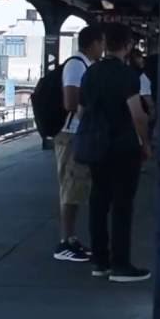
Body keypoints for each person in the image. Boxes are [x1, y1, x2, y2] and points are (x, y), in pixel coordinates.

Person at [79, 24, 151, 282]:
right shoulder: (127, 75)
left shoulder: (90, 73)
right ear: (128, 46)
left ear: (106, 43)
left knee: (98, 202)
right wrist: (146, 143)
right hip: (123, 148)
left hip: (97, 148)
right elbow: (138, 116)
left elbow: (81, 111)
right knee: (122, 206)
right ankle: (121, 265)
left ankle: (100, 262)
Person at [53, 25, 104, 262]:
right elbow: (70, 102)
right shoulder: (76, 65)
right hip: (70, 135)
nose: (102, 49)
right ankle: (64, 242)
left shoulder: (86, 65)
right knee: (70, 188)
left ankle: (71, 239)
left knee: (77, 188)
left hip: (78, 134)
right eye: (101, 43)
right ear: (92, 44)